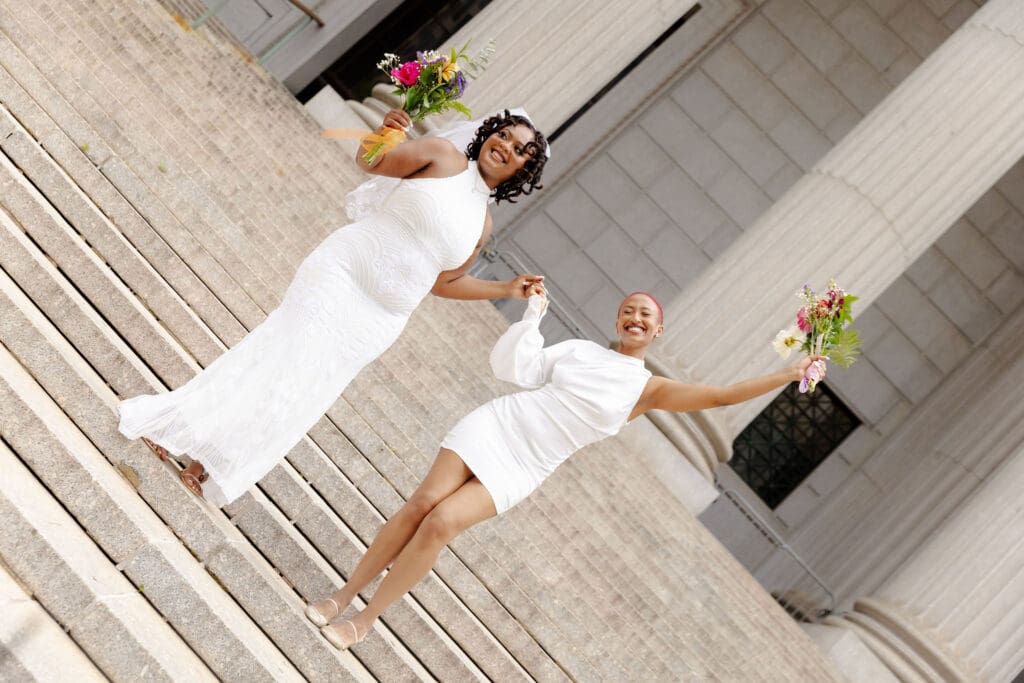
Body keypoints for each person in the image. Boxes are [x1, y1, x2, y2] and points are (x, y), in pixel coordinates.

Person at [305, 289, 827, 649]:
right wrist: (531, 317)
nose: (635, 318)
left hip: (525, 464)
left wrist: (788, 373)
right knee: (422, 505)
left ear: (658, 329)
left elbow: (719, 396)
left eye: (646, 314)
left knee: (442, 524)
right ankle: (343, 595)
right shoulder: (578, 351)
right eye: (628, 310)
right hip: (495, 426)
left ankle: (368, 620)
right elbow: (524, 368)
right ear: (617, 321)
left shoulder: (648, 389)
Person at [118, 108, 549, 504]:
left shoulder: (482, 225)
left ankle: (211, 464)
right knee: (281, 355)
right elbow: (373, 163)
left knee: (304, 386)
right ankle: (177, 429)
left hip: (380, 319)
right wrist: (386, 132)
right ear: (488, 134)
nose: (505, 147)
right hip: (342, 273)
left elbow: (442, 283)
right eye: (504, 135)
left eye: (518, 150)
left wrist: (506, 290)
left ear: (522, 171)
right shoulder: (442, 156)